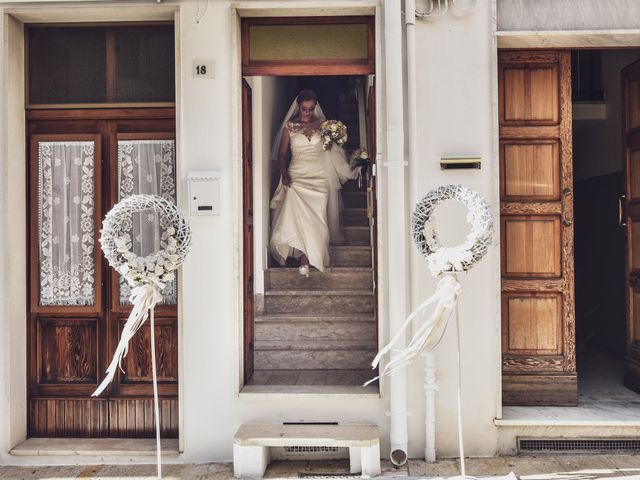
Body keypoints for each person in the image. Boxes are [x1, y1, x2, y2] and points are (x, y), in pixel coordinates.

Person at [269, 89, 355, 277]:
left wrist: (330, 145)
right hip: (297, 175)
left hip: (320, 176)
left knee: (318, 219)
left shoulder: (324, 126)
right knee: (298, 219)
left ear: (315, 107)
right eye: (304, 109)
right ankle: (304, 259)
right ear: (299, 107)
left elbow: (329, 150)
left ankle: (312, 256)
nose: (307, 112)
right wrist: (284, 173)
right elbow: (282, 154)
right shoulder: (290, 127)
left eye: (310, 109)